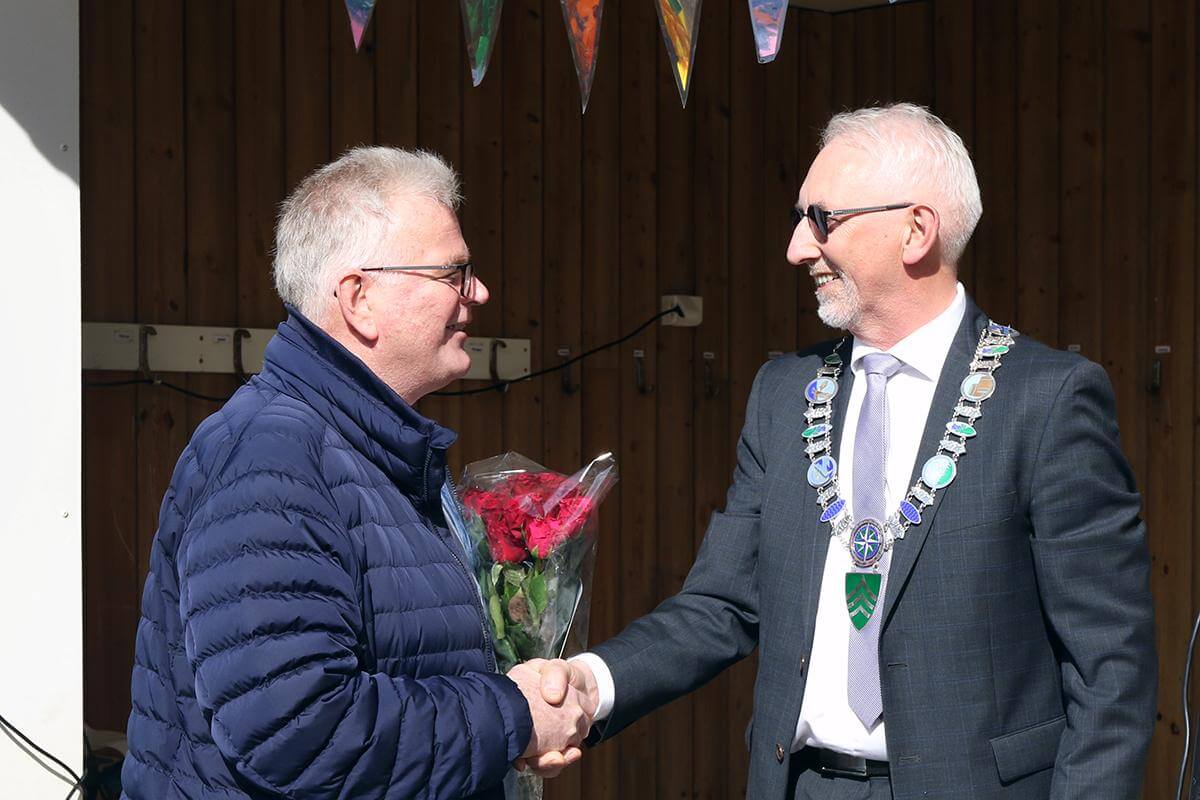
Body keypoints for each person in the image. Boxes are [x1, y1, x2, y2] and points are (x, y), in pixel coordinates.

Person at [534, 103, 1157, 798]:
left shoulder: (1046, 401)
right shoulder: (785, 394)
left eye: (822, 219)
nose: (798, 247)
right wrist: (591, 684)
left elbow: (1112, 670)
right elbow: (720, 606)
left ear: (916, 230)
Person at [121, 147, 592, 800]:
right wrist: (511, 717)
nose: (477, 293)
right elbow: (296, 729)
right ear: (359, 298)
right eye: (454, 272)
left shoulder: (369, 451)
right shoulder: (271, 456)